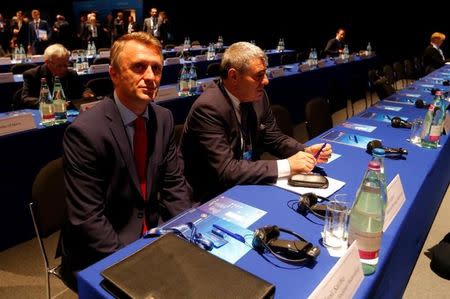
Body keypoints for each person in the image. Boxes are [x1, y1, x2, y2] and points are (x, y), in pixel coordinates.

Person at [59, 32, 192, 290]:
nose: (151, 77)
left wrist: (184, 231)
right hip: (101, 248)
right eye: (139, 67)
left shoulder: (163, 118)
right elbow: (88, 219)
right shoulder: (86, 132)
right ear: (114, 74)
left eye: (157, 68)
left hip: (153, 231)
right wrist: (131, 262)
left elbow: (176, 185)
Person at [180, 41, 332, 203]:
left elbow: (273, 137)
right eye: (259, 75)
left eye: (265, 74)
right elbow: (226, 170)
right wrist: (287, 165)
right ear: (233, 76)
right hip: (211, 194)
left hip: (247, 181)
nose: (266, 81)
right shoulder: (208, 107)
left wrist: (303, 151)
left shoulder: (258, 97)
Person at [20, 43, 92, 109]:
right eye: (59, 66)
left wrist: (87, 94)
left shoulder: (71, 73)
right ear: (47, 62)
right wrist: (50, 103)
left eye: (66, 65)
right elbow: (26, 99)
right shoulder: (32, 75)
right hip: (46, 113)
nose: (64, 69)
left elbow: (84, 89)